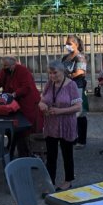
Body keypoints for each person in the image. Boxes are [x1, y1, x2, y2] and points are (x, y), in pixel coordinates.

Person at [39, 61, 81, 191]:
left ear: (62, 72)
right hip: (51, 124)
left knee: (67, 154)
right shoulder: (49, 84)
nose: (52, 76)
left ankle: (68, 180)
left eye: (55, 73)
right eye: (50, 73)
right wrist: (42, 106)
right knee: (51, 156)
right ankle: (49, 182)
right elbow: (41, 100)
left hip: (66, 124)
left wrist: (60, 111)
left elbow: (78, 107)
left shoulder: (71, 85)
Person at [0, 56, 42, 158]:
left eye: (6, 66)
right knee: (14, 128)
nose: (4, 68)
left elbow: (27, 87)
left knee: (27, 129)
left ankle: (29, 153)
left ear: (14, 65)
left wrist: (14, 94)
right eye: (3, 66)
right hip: (14, 105)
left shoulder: (23, 71)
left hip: (27, 104)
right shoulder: (5, 71)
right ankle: (18, 152)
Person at [62, 35, 89, 149]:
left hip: (77, 87)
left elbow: (80, 72)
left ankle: (81, 140)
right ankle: (72, 137)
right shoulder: (65, 57)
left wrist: (68, 76)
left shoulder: (80, 57)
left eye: (70, 43)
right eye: (66, 43)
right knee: (70, 114)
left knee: (80, 114)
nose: (67, 46)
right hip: (65, 87)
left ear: (76, 45)